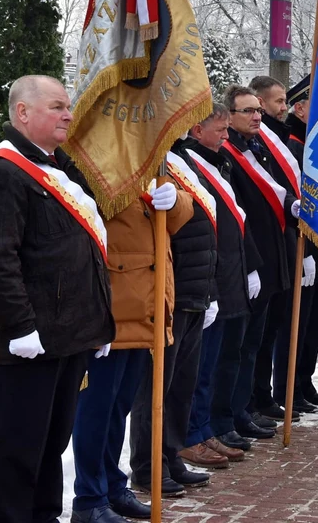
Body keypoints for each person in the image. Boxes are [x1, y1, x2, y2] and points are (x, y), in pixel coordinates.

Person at [0, 75, 115, 523]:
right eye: (56, 106)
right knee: (18, 449)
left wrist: (97, 322)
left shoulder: (58, 168)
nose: (68, 114)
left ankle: (46, 516)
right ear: (23, 113)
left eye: (67, 106)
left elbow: (79, 252)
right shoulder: (2, 173)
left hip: (70, 335)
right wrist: (19, 327)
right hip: (32, 338)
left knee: (52, 444)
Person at [71, 160, 194, 516]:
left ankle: (112, 488)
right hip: (111, 310)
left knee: (118, 409)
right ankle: (89, 499)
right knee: (96, 413)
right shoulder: (95, 161)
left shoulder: (147, 162)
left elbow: (175, 221)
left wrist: (176, 200)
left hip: (144, 309)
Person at [128, 134, 221, 494]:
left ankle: (170, 454)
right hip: (169, 288)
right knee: (155, 388)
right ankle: (147, 465)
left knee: (181, 385)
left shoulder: (181, 158)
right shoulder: (143, 153)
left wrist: (210, 290)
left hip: (195, 288)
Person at [184, 104, 265, 454]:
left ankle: (217, 424)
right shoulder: (189, 164)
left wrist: (251, 266)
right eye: (219, 130)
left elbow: (237, 219)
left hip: (232, 272)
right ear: (197, 131)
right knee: (206, 367)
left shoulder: (219, 163)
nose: (226, 136)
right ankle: (199, 430)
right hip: (211, 279)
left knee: (229, 355)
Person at [221, 84, 297, 438]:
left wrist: (293, 208)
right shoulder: (227, 155)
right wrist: (250, 263)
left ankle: (248, 406)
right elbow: (238, 214)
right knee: (238, 347)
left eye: (257, 111)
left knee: (256, 342)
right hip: (249, 262)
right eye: (248, 111)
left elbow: (273, 196)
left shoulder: (257, 150)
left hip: (271, 256)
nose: (257, 117)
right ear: (229, 116)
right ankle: (236, 412)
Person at [246, 75, 313, 421]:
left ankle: (264, 395)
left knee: (269, 330)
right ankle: (253, 400)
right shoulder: (262, 142)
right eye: (277, 102)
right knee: (253, 339)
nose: (281, 108)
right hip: (260, 252)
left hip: (282, 245)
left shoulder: (273, 142)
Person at [281, 75, 318, 408]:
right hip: (304, 244)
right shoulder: (291, 143)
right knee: (297, 322)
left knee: (316, 318)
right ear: (300, 108)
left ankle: (305, 380)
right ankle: (288, 387)